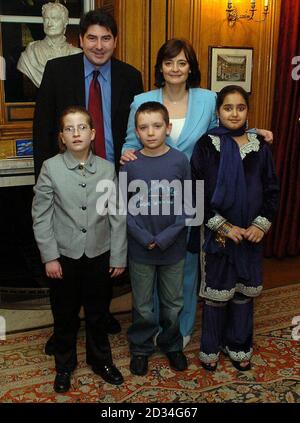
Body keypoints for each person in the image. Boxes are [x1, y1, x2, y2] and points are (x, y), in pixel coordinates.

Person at [121, 38, 274, 347]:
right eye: (169, 62)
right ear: (160, 67)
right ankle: (149, 329)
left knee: (187, 264)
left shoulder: (207, 98)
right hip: (152, 191)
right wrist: (125, 153)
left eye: (182, 62)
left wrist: (254, 132)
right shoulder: (141, 99)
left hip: (194, 191)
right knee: (150, 260)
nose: (175, 68)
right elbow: (130, 140)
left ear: (191, 67)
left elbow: (229, 128)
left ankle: (181, 326)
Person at [33, 8, 143, 342]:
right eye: (91, 38)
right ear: (80, 40)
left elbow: (135, 130)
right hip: (65, 178)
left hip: (110, 176)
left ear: (115, 42)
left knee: (103, 253)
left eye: (106, 38)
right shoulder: (57, 70)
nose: (98, 45)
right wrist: (46, 181)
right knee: (65, 260)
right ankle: (62, 326)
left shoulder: (129, 76)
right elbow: (42, 130)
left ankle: (101, 313)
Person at [32, 106, 127, 393]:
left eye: (82, 127)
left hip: (99, 254)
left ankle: (101, 361)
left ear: (93, 133)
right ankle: (64, 365)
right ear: (62, 136)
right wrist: (49, 256)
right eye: (69, 129)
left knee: (98, 313)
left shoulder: (107, 169)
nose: (76, 133)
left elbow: (117, 214)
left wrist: (118, 255)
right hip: (64, 257)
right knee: (65, 315)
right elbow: (41, 215)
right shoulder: (51, 167)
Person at [190, 85, 279, 371]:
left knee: (243, 294)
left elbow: (271, 190)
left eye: (240, 107)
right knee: (217, 295)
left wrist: (260, 225)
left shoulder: (260, 146)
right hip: (219, 235)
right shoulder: (206, 145)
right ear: (218, 112)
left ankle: (239, 344)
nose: (234, 113)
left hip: (252, 235)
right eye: (228, 108)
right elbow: (196, 191)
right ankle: (211, 346)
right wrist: (222, 226)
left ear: (247, 112)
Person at [120, 101, 190, 376]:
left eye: (157, 126)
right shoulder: (131, 164)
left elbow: (189, 206)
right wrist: (143, 236)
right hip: (140, 249)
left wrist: (164, 238)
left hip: (172, 248)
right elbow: (121, 207)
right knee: (143, 305)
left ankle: (172, 345)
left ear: (168, 128)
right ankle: (141, 348)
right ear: (137, 132)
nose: (151, 132)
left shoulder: (179, 161)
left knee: (173, 302)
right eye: (144, 127)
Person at [17, 2, 82, 87]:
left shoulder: (76, 54)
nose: (50, 24)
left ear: (65, 22)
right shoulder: (31, 51)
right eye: (46, 19)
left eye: (55, 19)